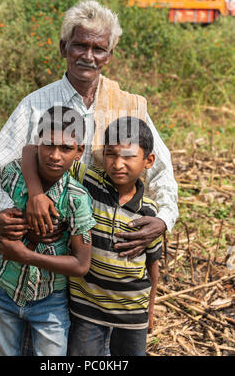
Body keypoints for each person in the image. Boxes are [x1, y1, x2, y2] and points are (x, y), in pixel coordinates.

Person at [0, 0, 178, 258]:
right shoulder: (36, 105)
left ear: (110, 55)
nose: (89, 56)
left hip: (110, 251)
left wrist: (164, 219)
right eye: (80, 45)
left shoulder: (127, 105)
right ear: (64, 48)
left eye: (99, 49)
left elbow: (161, 167)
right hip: (50, 250)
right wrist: (16, 212)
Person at [21, 116, 162, 356]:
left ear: (148, 161)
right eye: (111, 154)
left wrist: (150, 309)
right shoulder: (88, 180)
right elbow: (30, 150)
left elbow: (153, 264)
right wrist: (35, 194)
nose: (118, 164)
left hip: (131, 310)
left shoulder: (149, 214)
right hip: (87, 305)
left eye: (128, 156)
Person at [0, 106, 95, 356]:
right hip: (4, 290)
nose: (55, 155)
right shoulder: (13, 175)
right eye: (49, 145)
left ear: (79, 152)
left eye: (65, 148)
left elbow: (81, 264)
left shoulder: (77, 198)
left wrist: (26, 255)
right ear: (38, 144)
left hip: (50, 301)